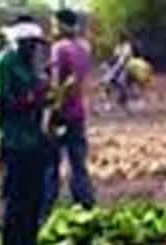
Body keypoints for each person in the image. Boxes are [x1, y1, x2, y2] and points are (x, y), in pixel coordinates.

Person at [0, 17, 49, 245]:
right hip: (13, 141)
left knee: (34, 198)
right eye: (30, 44)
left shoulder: (30, 64)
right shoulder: (3, 64)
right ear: (18, 42)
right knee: (15, 201)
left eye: (36, 44)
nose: (34, 49)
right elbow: (3, 104)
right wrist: (32, 100)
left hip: (34, 140)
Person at [49, 9, 96, 211]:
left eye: (53, 24)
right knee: (78, 162)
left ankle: (47, 206)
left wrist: (54, 110)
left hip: (63, 112)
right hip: (78, 111)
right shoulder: (84, 47)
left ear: (60, 25)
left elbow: (59, 81)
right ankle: (85, 203)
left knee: (51, 163)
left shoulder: (59, 49)